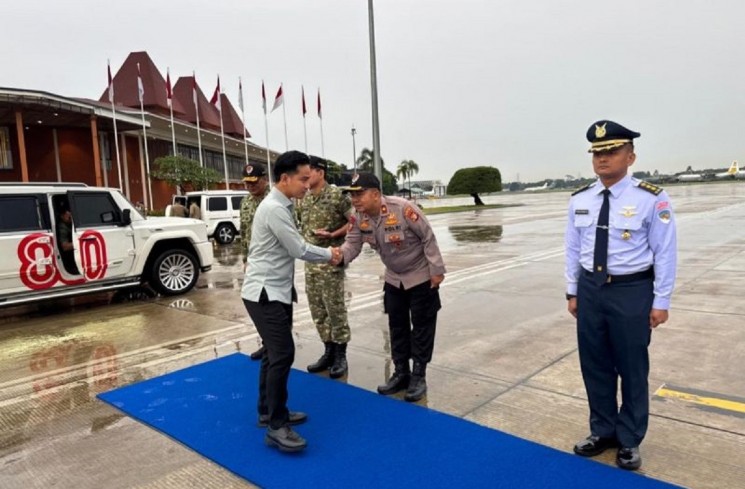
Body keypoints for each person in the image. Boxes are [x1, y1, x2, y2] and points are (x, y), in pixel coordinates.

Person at [565, 120, 677, 471]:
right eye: (597, 153)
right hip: (590, 290)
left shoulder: (651, 198)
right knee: (595, 364)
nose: (603, 159)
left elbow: (665, 252)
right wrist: (572, 291)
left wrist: (661, 301)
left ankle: (629, 438)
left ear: (630, 157)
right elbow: (573, 249)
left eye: (612, 151)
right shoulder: (580, 199)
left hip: (631, 289)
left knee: (631, 366)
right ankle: (603, 431)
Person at [241, 150, 341, 453]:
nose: (307, 185)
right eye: (303, 179)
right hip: (264, 293)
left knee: (274, 353)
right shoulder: (274, 208)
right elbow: (298, 248)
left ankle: (268, 411)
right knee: (283, 353)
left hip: (276, 291)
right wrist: (331, 254)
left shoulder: (282, 204)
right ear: (284, 178)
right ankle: (276, 426)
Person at [338, 172, 446, 402]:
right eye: (351, 195)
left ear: (376, 194)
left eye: (359, 194)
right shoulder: (359, 217)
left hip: (420, 276)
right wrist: (338, 256)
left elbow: (428, 237)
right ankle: (401, 372)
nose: (354, 199)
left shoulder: (403, 209)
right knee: (396, 326)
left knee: (422, 327)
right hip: (394, 278)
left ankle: (419, 376)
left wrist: (436, 270)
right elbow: (352, 244)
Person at [296, 156, 353, 378]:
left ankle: (340, 355)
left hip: (331, 262)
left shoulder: (337, 195)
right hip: (311, 264)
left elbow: (354, 222)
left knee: (335, 309)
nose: (305, 177)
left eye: (308, 172)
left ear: (320, 172)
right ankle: (328, 350)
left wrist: (333, 234)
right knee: (318, 310)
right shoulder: (305, 198)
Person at [239, 162, 270, 360]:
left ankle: (276, 344)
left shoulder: (275, 201)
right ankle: (267, 342)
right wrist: (245, 259)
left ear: (265, 179)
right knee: (257, 304)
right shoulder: (245, 202)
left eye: (254, 182)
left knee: (273, 305)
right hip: (253, 263)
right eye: (247, 183)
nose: (250, 186)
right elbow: (244, 232)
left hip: (271, 264)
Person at [56, 206, 79, 274]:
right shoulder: (62, 227)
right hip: (68, 259)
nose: (71, 219)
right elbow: (65, 247)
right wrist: (80, 243)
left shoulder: (69, 224)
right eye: (69, 217)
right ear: (62, 216)